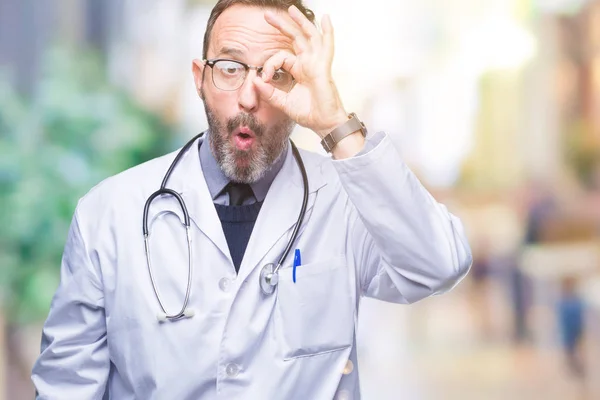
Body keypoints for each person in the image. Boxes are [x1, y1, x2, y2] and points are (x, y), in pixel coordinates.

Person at [31, 0, 473, 398]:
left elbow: (438, 264)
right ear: (199, 79)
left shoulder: (346, 202)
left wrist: (335, 121)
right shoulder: (109, 214)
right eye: (230, 67)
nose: (248, 96)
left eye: (277, 73)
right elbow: (65, 390)